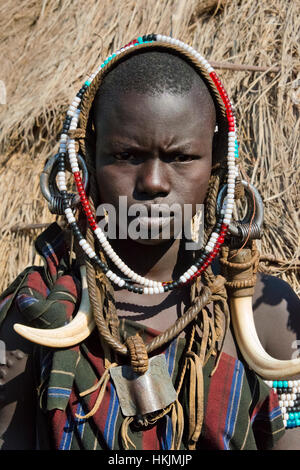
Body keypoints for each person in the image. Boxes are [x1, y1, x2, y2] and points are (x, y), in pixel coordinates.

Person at [0, 34, 300, 451]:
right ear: (86, 161)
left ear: (215, 161)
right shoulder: (38, 311)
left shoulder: (262, 314)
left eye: (180, 157)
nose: (154, 183)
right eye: (126, 155)